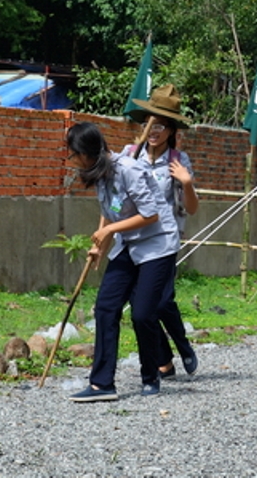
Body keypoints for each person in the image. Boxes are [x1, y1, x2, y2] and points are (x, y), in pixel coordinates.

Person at [65, 122, 179, 402]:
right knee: (106, 306)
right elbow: (110, 211)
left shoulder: (129, 169)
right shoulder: (100, 174)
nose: (73, 160)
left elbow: (150, 214)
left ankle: (150, 375)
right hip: (129, 243)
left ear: (86, 152)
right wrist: (100, 246)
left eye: (74, 154)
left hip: (157, 243)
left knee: (142, 313)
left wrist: (109, 232)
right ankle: (101, 384)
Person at [126, 84, 200, 380]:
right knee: (139, 305)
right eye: (148, 124)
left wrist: (186, 182)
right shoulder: (130, 155)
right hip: (132, 239)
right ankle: (165, 360)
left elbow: (192, 208)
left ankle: (183, 346)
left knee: (161, 300)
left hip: (164, 241)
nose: (152, 130)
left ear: (170, 131)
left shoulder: (178, 161)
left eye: (159, 125)